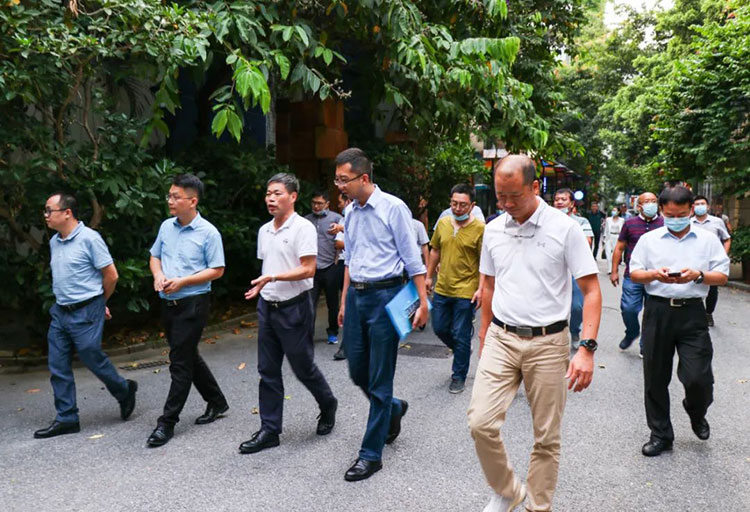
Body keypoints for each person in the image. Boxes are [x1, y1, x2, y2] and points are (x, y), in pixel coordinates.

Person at [468, 155, 601, 512]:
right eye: (500, 196)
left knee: (546, 437)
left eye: (514, 196)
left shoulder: (565, 229)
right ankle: (508, 490)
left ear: (535, 187)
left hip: (548, 342)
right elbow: (488, 285)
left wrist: (586, 349)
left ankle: (537, 507)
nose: (507, 204)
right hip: (501, 337)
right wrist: (484, 335)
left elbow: (591, 290)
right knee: (480, 422)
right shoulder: (493, 229)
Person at [334, 148, 428, 482]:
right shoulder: (350, 212)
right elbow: (350, 260)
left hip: (388, 295)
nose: (339, 186)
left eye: (344, 180)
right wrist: (344, 301)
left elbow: (412, 258)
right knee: (357, 370)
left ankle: (371, 455)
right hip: (357, 296)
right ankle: (393, 407)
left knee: (380, 378)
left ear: (363, 177)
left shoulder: (394, 208)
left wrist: (423, 301)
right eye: (337, 179)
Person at [240, 173, 338, 454]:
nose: (270, 198)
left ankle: (328, 403)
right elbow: (270, 264)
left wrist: (272, 278)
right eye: (268, 193)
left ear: (293, 197)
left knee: (302, 367)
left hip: (294, 307)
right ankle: (270, 430)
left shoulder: (303, 228)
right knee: (267, 370)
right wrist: (262, 286)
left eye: (277, 193)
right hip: (267, 307)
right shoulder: (264, 230)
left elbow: (308, 269)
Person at [629, 186, 730, 457]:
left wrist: (698, 275)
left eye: (682, 215)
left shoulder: (707, 240)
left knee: (698, 377)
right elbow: (635, 272)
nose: (676, 219)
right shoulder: (649, 240)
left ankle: (696, 410)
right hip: (658, 312)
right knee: (655, 377)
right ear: (662, 211)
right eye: (670, 215)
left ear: (691, 210)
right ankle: (660, 434)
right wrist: (654, 274)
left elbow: (722, 276)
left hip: (692, 313)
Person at [34, 193, 137, 439]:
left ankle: (124, 390)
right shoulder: (55, 242)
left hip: (87, 309)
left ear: (67, 213)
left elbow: (111, 275)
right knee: (57, 365)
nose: (45, 215)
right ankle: (67, 418)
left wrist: (100, 303)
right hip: (60, 311)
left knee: (91, 356)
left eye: (49, 210)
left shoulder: (90, 238)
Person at [147, 174, 229, 448]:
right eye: (169, 196)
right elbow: (155, 256)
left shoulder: (209, 232)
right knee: (187, 355)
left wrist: (182, 281)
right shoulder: (166, 227)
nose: (170, 201)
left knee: (179, 362)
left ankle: (166, 423)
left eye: (175, 197)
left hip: (193, 303)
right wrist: (158, 275)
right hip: (168, 302)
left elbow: (217, 270)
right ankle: (216, 401)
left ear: (192, 201)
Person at [425, 184, 485, 394]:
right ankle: (462, 349)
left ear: (472, 206)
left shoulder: (480, 229)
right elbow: (435, 250)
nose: (458, 209)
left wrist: (481, 289)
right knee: (439, 328)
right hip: (443, 287)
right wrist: (428, 276)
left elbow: (485, 263)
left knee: (460, 334)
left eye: (463, 205)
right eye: (454, 204)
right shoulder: (443, 223)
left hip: (466, 290)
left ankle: (458, 376)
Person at [610, 192, 664, 355]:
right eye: (647, 201)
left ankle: (645, 344)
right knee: (629, 309)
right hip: (633, 275)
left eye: (654, 201)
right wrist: (614, 271)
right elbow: (619, 247)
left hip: (657, 276)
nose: (651, 204)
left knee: (652, 313)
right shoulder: (630, 223)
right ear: (639, 206)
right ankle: (632, 332)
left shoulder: (664, 223)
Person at [553, 188, 594, 349]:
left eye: (563, 199)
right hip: (554, 271)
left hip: (575, 271)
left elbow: (587, 243)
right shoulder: (547, 221)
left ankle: (575, 330)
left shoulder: (581, 222)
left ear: (571, 204)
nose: (559, 202)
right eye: (557, 199)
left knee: (577, 307)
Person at [305, 189, 344, 344]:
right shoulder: (306, 221)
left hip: (330, 266)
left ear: (327, 204)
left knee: (332, 303)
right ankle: (308, 335)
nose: (316, 206)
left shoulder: (337, 219)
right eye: (314, 203)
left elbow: (344, 239)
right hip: (312, 268)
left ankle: (333, 332)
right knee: (309, 303)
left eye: (320, 203)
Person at [691, 195, 731, 327]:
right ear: (693, 207)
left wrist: (723, 255)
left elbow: (726, 239)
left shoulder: (717, 222)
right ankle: (697, 314)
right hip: (694, 261)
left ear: (708, 207)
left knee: (712, 290)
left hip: (712, 262)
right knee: (693, 286)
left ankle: (709, 312)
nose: (700, 206)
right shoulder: (689, 222)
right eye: (697, 204)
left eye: (702, 204)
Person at [332, 193, 352, 361]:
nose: (339, 206)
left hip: (364, 269)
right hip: (345, 264)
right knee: (346, 303)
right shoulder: (343, 220)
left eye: (340, 202)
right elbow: (338, 243)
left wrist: (344, 230)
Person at [603, 207, 624, 274]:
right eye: (613, 210)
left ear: (618, 212)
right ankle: (609, 269)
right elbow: (606, 229)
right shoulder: (608, 219)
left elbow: (623, 230)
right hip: (609, 237)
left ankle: (614, 268)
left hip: (617, 237)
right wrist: (604, 238)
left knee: (615, 254)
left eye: (615, 210)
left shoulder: (622, 220)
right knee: (608, 253)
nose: (613, 212)